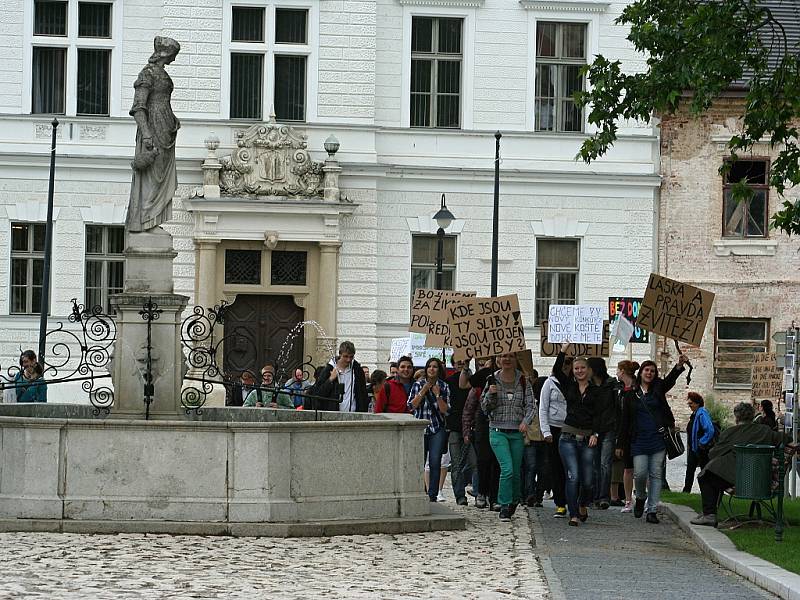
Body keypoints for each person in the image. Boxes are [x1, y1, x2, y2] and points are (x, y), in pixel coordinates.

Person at [691, 402, 785, 527]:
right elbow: (784, 438)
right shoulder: (765, 431)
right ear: (752, 416)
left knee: (705, 477)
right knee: (711, 474)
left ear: (736, 417)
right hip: (761, 479)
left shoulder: (730, 432)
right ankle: (708, 513)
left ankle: (709, 514)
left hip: (738, 480)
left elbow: (713, 453)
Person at [618, 356, 688, 524]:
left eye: (652, 371)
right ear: (640, 372)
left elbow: (670, 380)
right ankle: (641, 497)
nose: (649, 373)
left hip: (658, 439)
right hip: (638, 440)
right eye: (646, 370)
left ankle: (652, 510)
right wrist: (620, 443)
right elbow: (624, 421)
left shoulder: (658, 389)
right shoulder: (631, 394)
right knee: (640, 473)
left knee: (656, 474)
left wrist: (679, 365)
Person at [127, 36, 181, 233]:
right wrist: (147, 134)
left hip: (166, 130)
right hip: (153, 129)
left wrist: (172, 118)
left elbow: (163, 101)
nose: (174, 59)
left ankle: (153, 220)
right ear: (165, 54)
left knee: (160, 176)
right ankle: (144, 219)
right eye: (173, 55)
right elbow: (139, 107)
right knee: (152, 175)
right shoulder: (147, 74)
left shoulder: (163, 74)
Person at [481, 352, 534, 522]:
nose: (507, 359)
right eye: (503, 356)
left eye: (510, 356)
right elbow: (484, 408)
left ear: (516, 359)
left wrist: (526, 421)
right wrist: (490, 393)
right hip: (497, 431)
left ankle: (515, 499)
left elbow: (531, 405)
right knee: (507, 469)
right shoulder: (492, 380)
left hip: (517, 432)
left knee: (516, 472)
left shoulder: (523, 380)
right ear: (498, 360)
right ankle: (503, 504)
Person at [553, 346, 600, 527]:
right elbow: (557, 370)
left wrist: (596, 433)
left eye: (582, 368)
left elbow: (600, 414)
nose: (579, 371)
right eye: (576, 368)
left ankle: (582, 503)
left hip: (588, 437)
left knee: (588, 480)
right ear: (572, 371)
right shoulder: (568, 386)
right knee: (573, 476)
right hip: (568, 437)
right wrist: (563, 351)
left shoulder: (596, 390)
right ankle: (573, 514)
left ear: (588, 371)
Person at [408, 357, 451, 503]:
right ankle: (419, 491)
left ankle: (432, 495)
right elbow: (411, 406)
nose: (432, 369)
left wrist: (438, 395)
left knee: (435, 461)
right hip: (420, 428)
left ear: (439, 370)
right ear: (426, 369)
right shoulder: (417, 384)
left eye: (435, 367)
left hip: (436, 428)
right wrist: (423, 391)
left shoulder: (444, 386)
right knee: (418, 461)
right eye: (429, 366)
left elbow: (446, 410)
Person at [463, 360, 500, 510]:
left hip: (500, 423)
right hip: (483, 425)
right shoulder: (481, 379)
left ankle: (495, 496)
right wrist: (466, 430)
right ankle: (481, 493)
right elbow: (468, 409)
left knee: (497, 462)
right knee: (483, 461)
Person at [539, 354, 571, 518]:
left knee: (571, 467)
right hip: (554, 428)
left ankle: (573, 500)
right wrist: (545, 431)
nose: (567, 367)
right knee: (556, 467)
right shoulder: (549, 383)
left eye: (569, 364)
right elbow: (543, 408)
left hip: (571, 429)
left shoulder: (574, 384)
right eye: (564, 364)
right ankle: (560, 503)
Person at [587, 357, 617, 509]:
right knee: (593, 464)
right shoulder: (587, 385)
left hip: (608, 428)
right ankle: (593, 496)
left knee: (605, 464)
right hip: (592, 429)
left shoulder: (611, 385)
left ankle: (603, 496)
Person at [306, 341, 369, 412]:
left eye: (351, 357)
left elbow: (362, 393)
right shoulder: (329, 369)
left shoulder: (357, 370)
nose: (348, 360)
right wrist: (330, 379)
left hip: (353, 414)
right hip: (334, 414)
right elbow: (319, 393)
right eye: (345, 356)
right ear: (340, 354)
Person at [445, 356, 475, 506]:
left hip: (471, 427)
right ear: (453, 365)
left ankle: (477, 491)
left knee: (474, 462)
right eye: (459, 363)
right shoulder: (449, 382)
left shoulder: (473, 380)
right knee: (456, 463)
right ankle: (459, 495)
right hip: (455, 427)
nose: (462, 365)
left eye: (464, 362)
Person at [614, 360, 639, 512]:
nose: (616, 372)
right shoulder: (621, 390)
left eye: (618, 370)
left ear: (622, 371)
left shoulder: (637, 389)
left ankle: (643, 497)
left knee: (642, 470)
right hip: (626, 434)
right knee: (627, 468)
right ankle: (628, 500)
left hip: (638, 433)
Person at [523, 376, 550, 507]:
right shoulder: (530, 403)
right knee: (531, 468)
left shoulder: (548, 403)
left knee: (543, 470)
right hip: (532, 439)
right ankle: (530, 494)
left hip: (544, 439)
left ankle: (538, 495)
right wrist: (525, 437)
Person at [683, 391, 716, 493]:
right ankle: (687, 491)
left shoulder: (702, 413)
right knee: (690, 470)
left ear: (697, 403)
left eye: (691, 403)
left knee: (703, 472)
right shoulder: (696, 413)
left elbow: (710, 430)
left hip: (701, 449)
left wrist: (702, 442)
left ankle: (707, 492)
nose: (690, 406)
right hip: (695, 448)